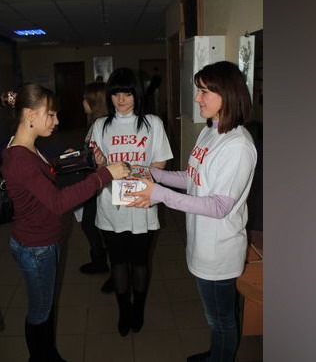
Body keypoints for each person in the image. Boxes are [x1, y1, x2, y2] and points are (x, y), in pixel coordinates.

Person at [127, 61, 257, 362]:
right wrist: (154, 174)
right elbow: (192, 177)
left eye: (204, 92)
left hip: (219, 251)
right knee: (217, 317)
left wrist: (158, 194)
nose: (197, 98)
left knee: (221, 320)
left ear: (227, 94)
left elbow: (219, 206)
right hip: (202, 243)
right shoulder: (210, 131)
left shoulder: (237, 146)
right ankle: (216, 353)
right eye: (197, 90)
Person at [0, 85, 130, 362]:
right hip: (36, 247)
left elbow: (44, 175)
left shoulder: (23, 146)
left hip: (36, 241)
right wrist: (103, 175)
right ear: (30, 115)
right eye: (51, 114)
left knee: (43, 308)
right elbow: (58, 202)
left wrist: (78, 160)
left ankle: (48, 355)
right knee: (40, 311)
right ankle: (42, 358)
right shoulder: (21, 158)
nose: (56, 120)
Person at [88, 68, 173, 336]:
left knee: (139, 261)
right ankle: (124, 309)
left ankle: (139, 308)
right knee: (118, 262)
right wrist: (99, 163)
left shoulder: (152, 123)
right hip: (110, 205)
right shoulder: (100, 125)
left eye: (127, 93)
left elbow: (160, 161)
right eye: (116, 94)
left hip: (141, 203)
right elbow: (96, 167)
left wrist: (139, 181)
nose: (121, 100)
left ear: (137, 94)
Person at [75, 81, 110, 275]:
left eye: (85, 98)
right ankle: (100, 260)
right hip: (96, 181)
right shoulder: (97, 123)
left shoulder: (101, 124)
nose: (82, 101)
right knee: (91, 223)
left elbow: (99, 158)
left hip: (100, 183)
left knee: (91, 223)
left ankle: (102, 262)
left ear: (94, 102)